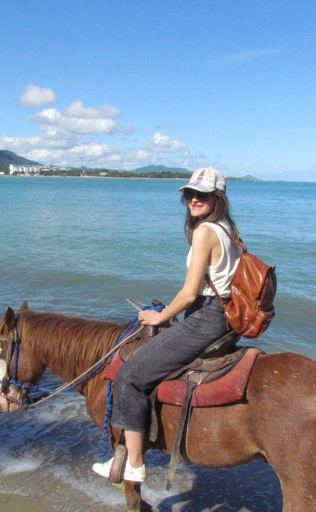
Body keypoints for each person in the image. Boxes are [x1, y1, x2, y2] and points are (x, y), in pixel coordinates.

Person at [92, 166, 241, 483]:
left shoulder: (205, 232)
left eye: (202, 194)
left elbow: (189, 294)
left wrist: (159, 316)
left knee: (130, 375)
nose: (194, 200)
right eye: (190, 194)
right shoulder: (229, 229)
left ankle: (133, 463)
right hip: (226, 318)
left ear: (218, 198)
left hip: (206, 318)